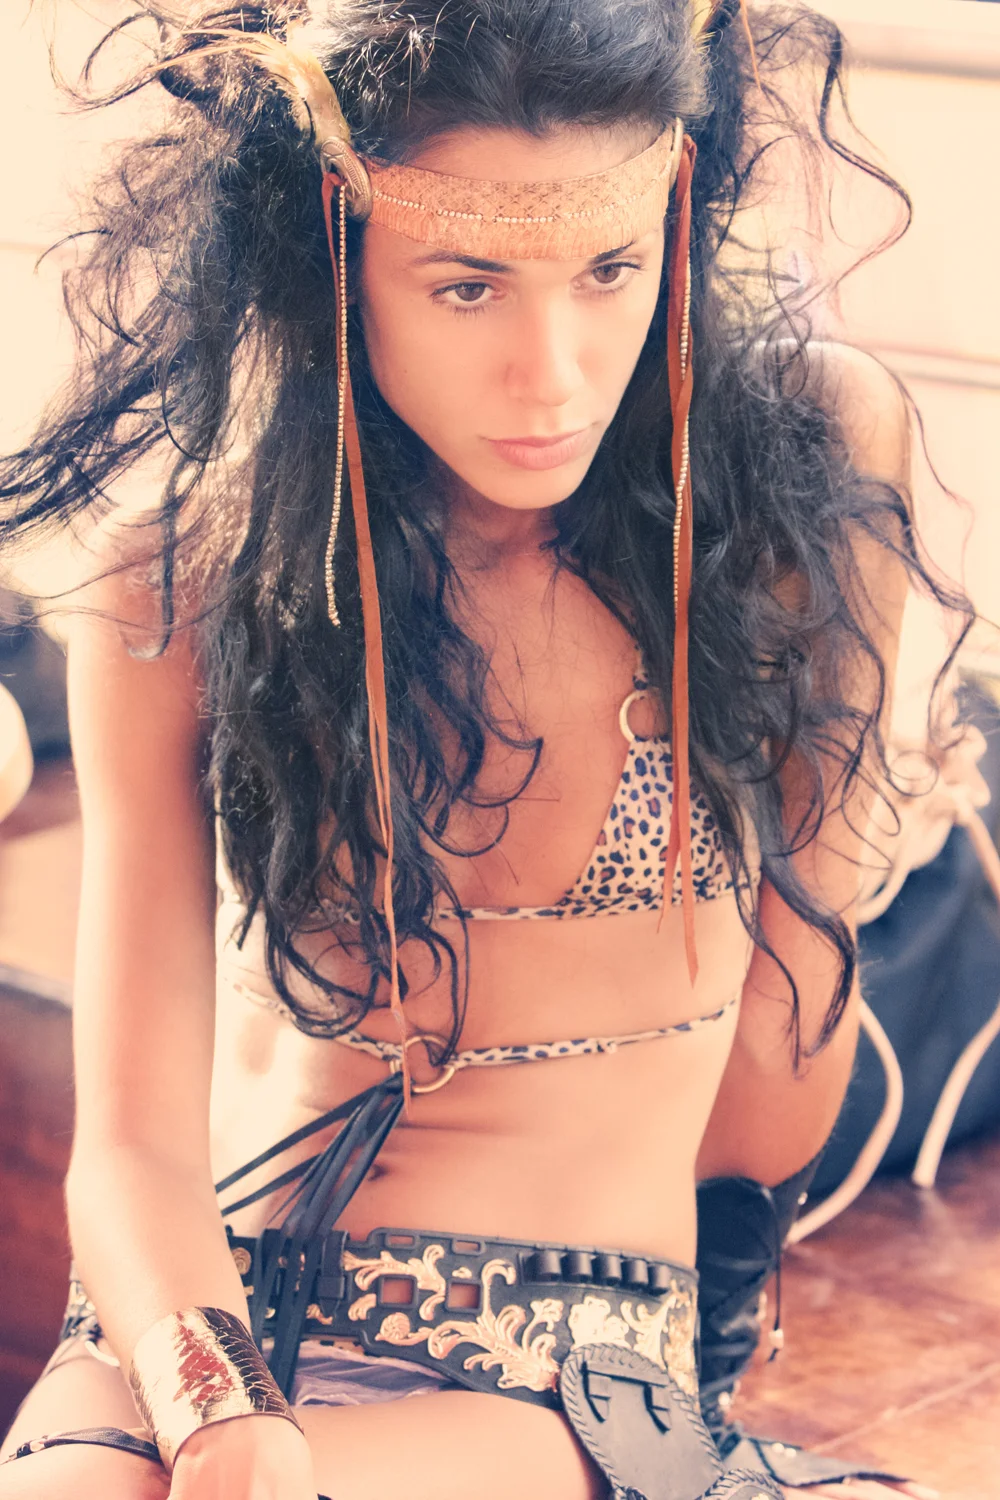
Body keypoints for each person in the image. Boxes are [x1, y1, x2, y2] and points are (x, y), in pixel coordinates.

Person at [0, 1, 966, 1497]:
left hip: (565, 1354)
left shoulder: (792, 485)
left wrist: (836, 797)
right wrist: (219, 1412)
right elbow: (130, 1151)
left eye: (610, 270)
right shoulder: (181, 584)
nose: (556, 374)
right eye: (467, 286)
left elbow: (774, 1098)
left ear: (675, 215)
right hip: (200, 1315)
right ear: (333, 256)